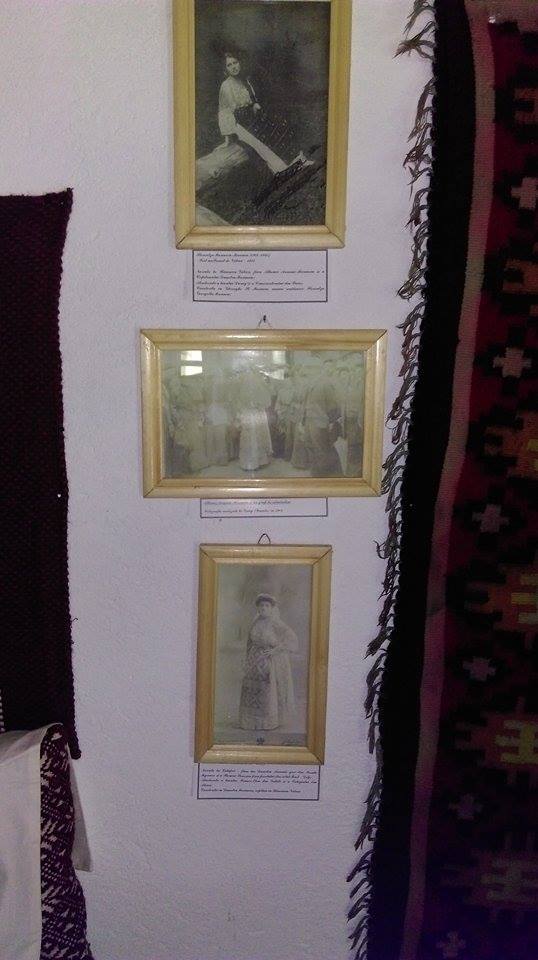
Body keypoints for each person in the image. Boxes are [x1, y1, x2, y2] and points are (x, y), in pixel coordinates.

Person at [218, 52, 312, 177]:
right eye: (229, 65)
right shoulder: (226, 86)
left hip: (253, 116)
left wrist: (255, 104)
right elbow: (225, 112)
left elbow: (252, 99)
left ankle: (299, 160)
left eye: (235, 63)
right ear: (225, 69)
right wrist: (228, 138)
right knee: (264, 134)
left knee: (279, 123)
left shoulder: (244, 80)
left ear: (239, 63)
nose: (234, 67)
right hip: (241, 124)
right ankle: (283, 168)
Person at [239, 594, 298, 731]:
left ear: (271, 608)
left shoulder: (275, 623)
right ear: (258, 608)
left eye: (267, 606)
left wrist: (275, 650)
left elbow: (291, 638)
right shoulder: (255, 623)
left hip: (268, 661)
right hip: (254, 660)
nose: (263, 608)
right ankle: (251, 722)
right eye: (261, 605)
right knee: (252, 689)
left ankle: (267, 722)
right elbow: (249, 643)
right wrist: (247, 659)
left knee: (266, 689)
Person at [300, 359, 343, 477]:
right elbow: (305, 404)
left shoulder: (325, 383)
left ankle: (326, 476)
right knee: (311, 447)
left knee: (322, 450)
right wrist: (302, 422)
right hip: (309, 422)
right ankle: (316, 473)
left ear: (315, 369)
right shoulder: (310, 384)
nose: (306, 372)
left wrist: (332, 422)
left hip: (320, 422)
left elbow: (333, 406)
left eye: (308, 369)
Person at [236, 367, 273, 471]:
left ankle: (251, 462)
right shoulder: (259, 387)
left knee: (251, 436)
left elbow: (240, 403)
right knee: (255, 436)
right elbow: (267, 402)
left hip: (250, 414)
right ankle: (258, 461)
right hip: (255, 414)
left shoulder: (244, 389)